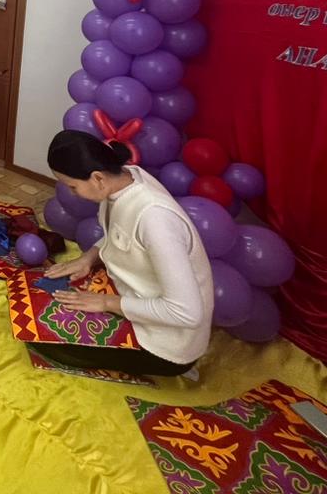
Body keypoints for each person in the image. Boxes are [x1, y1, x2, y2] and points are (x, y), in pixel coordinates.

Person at [36, 130, 213, 377]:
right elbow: (119, 232)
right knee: (43, 316)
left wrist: (106, 302)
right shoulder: (124, 179)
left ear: (97, 178)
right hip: (135, 296)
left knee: (47, 341)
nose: (73, 194)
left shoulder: (156, 219)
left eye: (73, 187)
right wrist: (88, 258)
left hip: (168, 345)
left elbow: (187, 313)